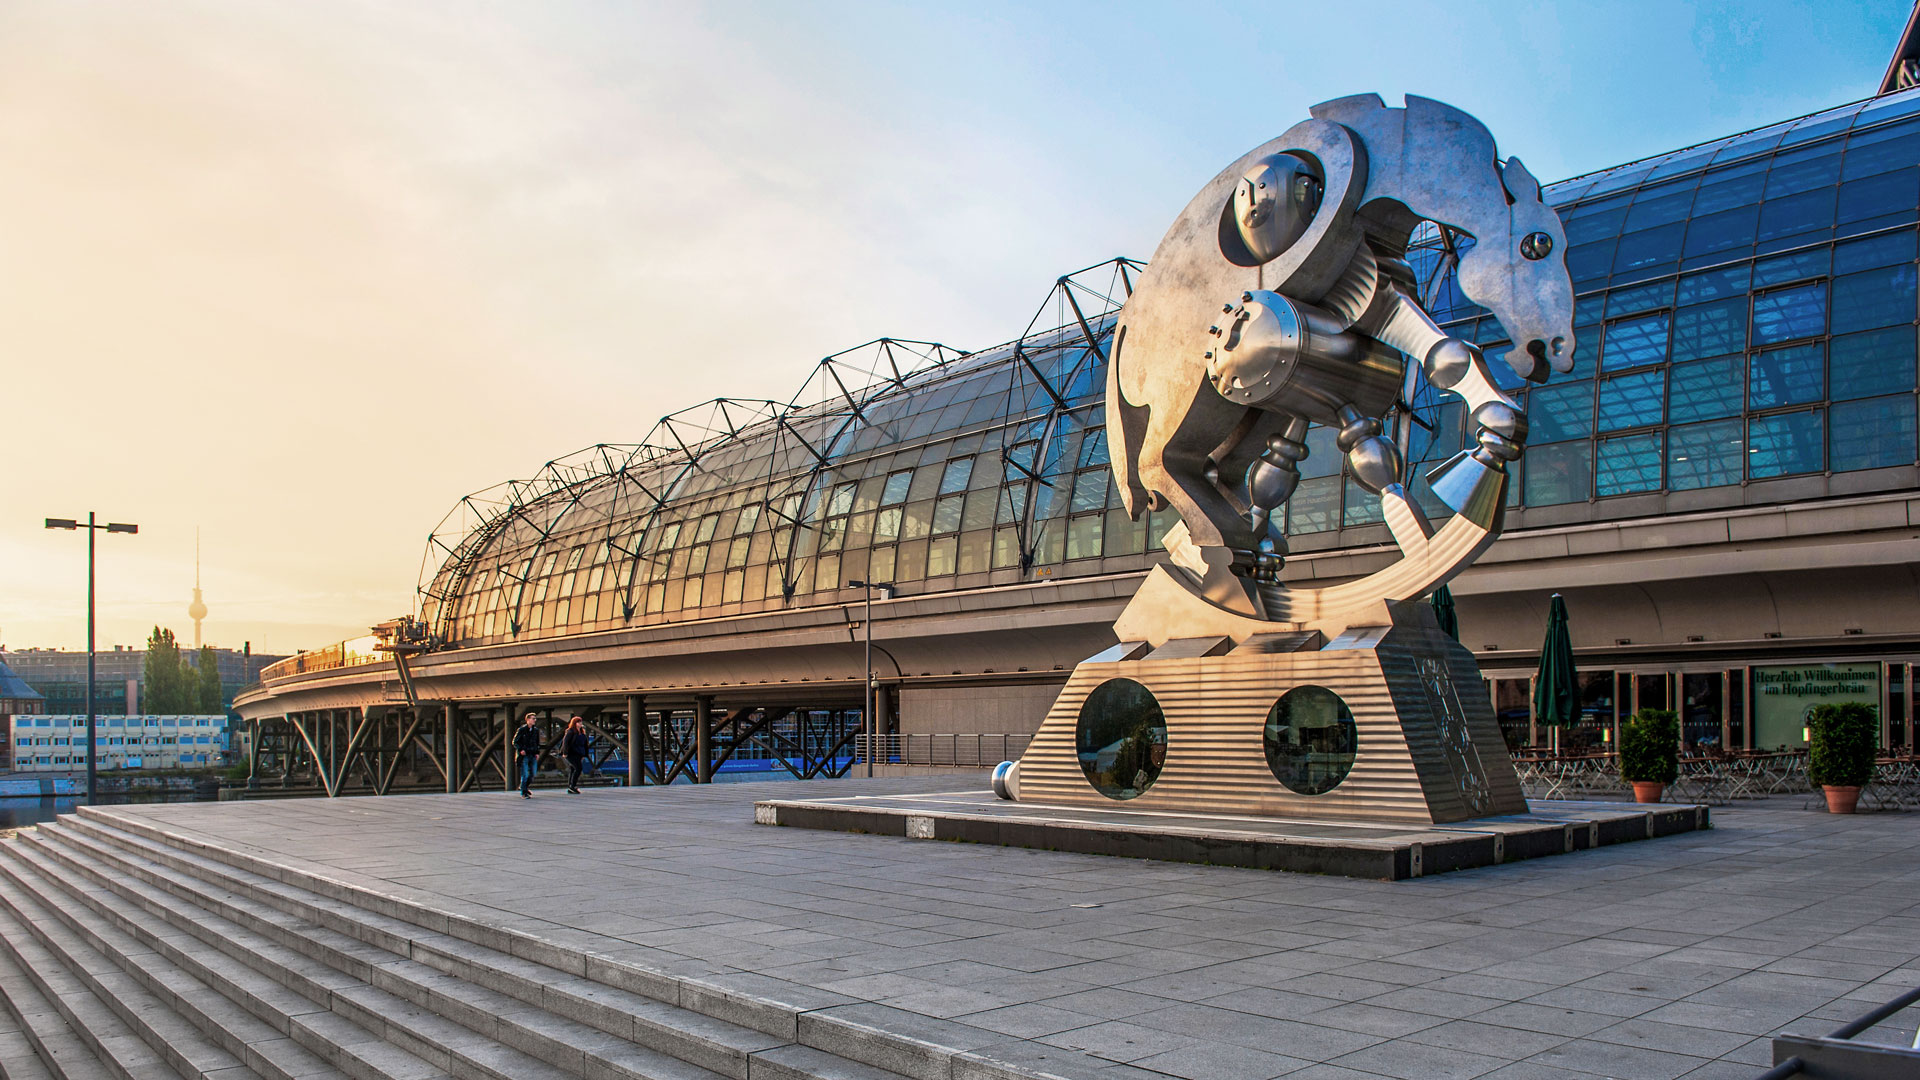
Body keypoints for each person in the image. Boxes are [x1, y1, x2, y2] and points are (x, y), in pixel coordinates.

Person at [513, 713, 543, 799]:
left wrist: (537, 752)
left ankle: (524, 787)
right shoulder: (522, 730)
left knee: (533, 774)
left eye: (535, 719)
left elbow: (537, 742)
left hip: (532, 754)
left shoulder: (536, 730)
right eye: (533, 719)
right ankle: (524, 792)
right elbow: (515, 741)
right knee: (525, 774)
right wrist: (521, 749)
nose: (535, 720)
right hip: (524, 755)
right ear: (528, 720)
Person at [562, 716, 591, 794]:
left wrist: (584, 755)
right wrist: (565, 753)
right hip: (571, 754)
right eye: (578, 722)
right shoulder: (571, 731)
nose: (580, 723)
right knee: (578, 768)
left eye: (581, 722)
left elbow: (585, 745)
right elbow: (566, 742)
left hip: (579, 753)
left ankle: (571, 786)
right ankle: (572, 785)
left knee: (573, 769)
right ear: (574, 723)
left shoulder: (582, 733)